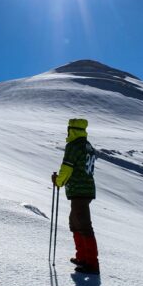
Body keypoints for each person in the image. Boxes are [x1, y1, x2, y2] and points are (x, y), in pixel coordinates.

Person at [51, 118, 99, 275]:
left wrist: (58, 181)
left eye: (68, 129)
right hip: (86, 190)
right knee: (75, 223)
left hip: (79, 191)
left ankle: (92, 264)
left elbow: (67, 168)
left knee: (84, 226)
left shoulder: (73, 146)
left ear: (72, 129)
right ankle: (82, 258)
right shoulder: (88, 146)